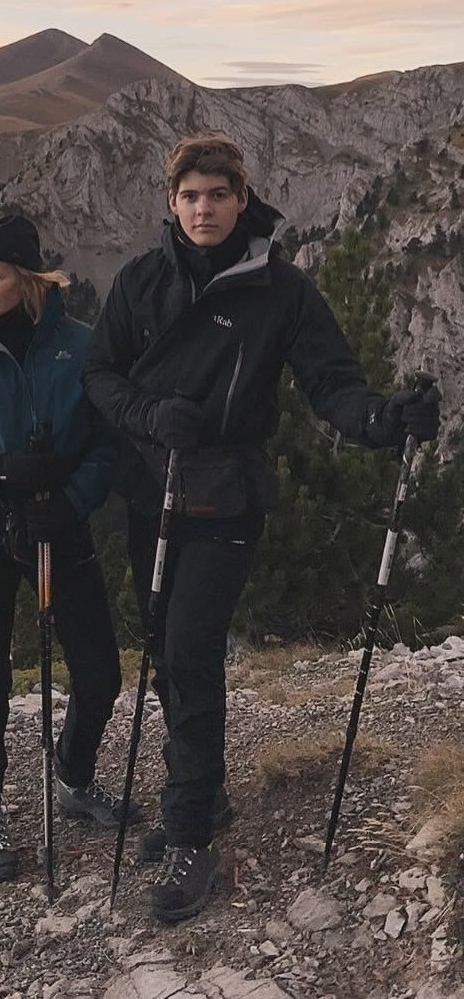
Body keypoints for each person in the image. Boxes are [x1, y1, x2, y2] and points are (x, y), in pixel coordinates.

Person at [83, 135, 441, 923]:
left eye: (218, 194)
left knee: (188, 649)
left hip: (228, 498)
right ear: (171, 203)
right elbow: (99, 372)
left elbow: (331, 383)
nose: (204, 208)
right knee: (166, 656)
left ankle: (189, 840)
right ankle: (202, 801)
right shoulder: (141, 281)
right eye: (190, 196)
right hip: (153, 491)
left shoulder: (281, 291)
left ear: (243, 199)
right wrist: (147, 413)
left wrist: (385, 421)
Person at [0, 212, 138, 882]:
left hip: (58, 524)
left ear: (28, 278)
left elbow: (107, 445)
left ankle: (72, 776)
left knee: (98, 668)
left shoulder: (79, 344)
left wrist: (68, 503)